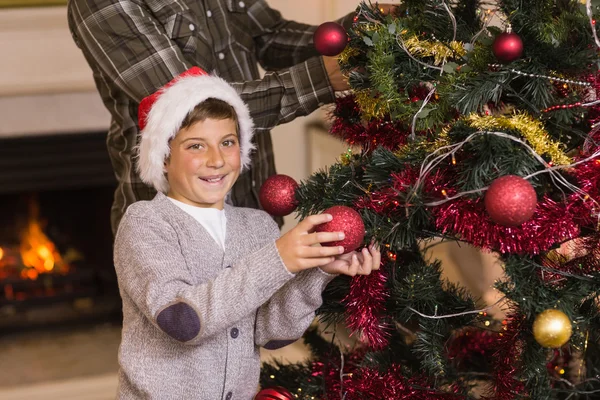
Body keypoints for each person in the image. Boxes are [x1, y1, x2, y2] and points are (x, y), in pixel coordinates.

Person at [113, 67, 381, 399]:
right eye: (196, 146)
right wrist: (278, 258)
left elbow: (272, 334)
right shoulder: (146, 222)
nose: (216, 160)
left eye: (227, 142)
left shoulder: (257, 225)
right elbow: (182, 321)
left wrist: (318, 270)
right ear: (164, 157)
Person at [67, 0, 394, 235]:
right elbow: (193, 107)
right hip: (174, 229)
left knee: (267, 330)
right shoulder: (100, 4)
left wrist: (355, 33)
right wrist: (321, 77)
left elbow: (271, 37)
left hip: (255, 213)